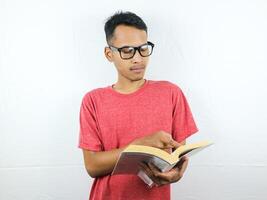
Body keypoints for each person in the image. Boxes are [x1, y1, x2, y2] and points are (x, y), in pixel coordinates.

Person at [78, 11, 198, 200]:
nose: (138, 58)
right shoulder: (93, 100)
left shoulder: (171, 93)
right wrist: (139, 145)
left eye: (143, 48)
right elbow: (92, 166)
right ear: (109, 54)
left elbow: (177, 155)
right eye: (127, 51)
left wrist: (176, 173)